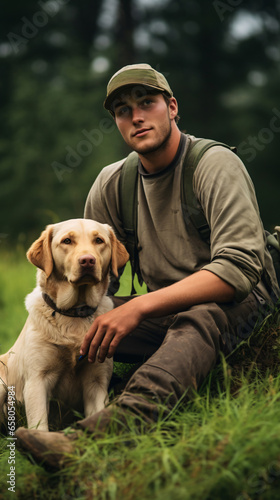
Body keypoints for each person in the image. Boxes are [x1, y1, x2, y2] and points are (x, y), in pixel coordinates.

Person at [15, 63, 279, 468]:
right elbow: (93, 275)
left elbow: (240, 268)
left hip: (240, 302)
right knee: (82, 319)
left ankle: (105, 433)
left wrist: (138, 306)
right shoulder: (112, 183)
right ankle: (23, 412)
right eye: (122, 109)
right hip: (162, 306)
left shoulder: (214, 165)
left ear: (171, 107)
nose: (135, 116)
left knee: (197, 318)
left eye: (147, 102)